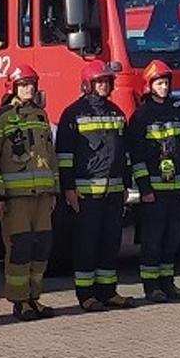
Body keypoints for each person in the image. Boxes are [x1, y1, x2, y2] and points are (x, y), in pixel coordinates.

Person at [56, 60, 136, 311]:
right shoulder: (73, 114)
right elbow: (65, 156)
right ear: (88, 84)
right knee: (86, 244)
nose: (103, 85)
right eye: (99, 81)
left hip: (113, 193)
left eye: (106, 81)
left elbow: (123, 155)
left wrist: (124, 185)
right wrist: (68, 190)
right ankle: (86, 295)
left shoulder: (116, 113)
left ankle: (108, 291)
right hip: (86, 193)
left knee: (110, 243)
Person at [0, 65, 58, 320]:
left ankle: (34, 297)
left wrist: (53, 191)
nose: (29, 88)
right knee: (19, 249)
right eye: (23, 84)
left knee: (41, 249)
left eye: (32, 84)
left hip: (41, 197)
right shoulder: (1, 118)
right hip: (15, 199)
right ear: (12, 87)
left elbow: (50, 157)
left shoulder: (41, 116)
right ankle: (19, 301)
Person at [126, 60, 180, 302]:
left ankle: (168, 283)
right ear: (149, 86)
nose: (164, 88)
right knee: (152, 241)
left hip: (176, 188)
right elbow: (138, 156)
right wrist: (145, 188)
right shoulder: (141, 116)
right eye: (159, 83)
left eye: (166, 83)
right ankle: (151, 286)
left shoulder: (175, 113)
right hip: (154, 190)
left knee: (172, 239)